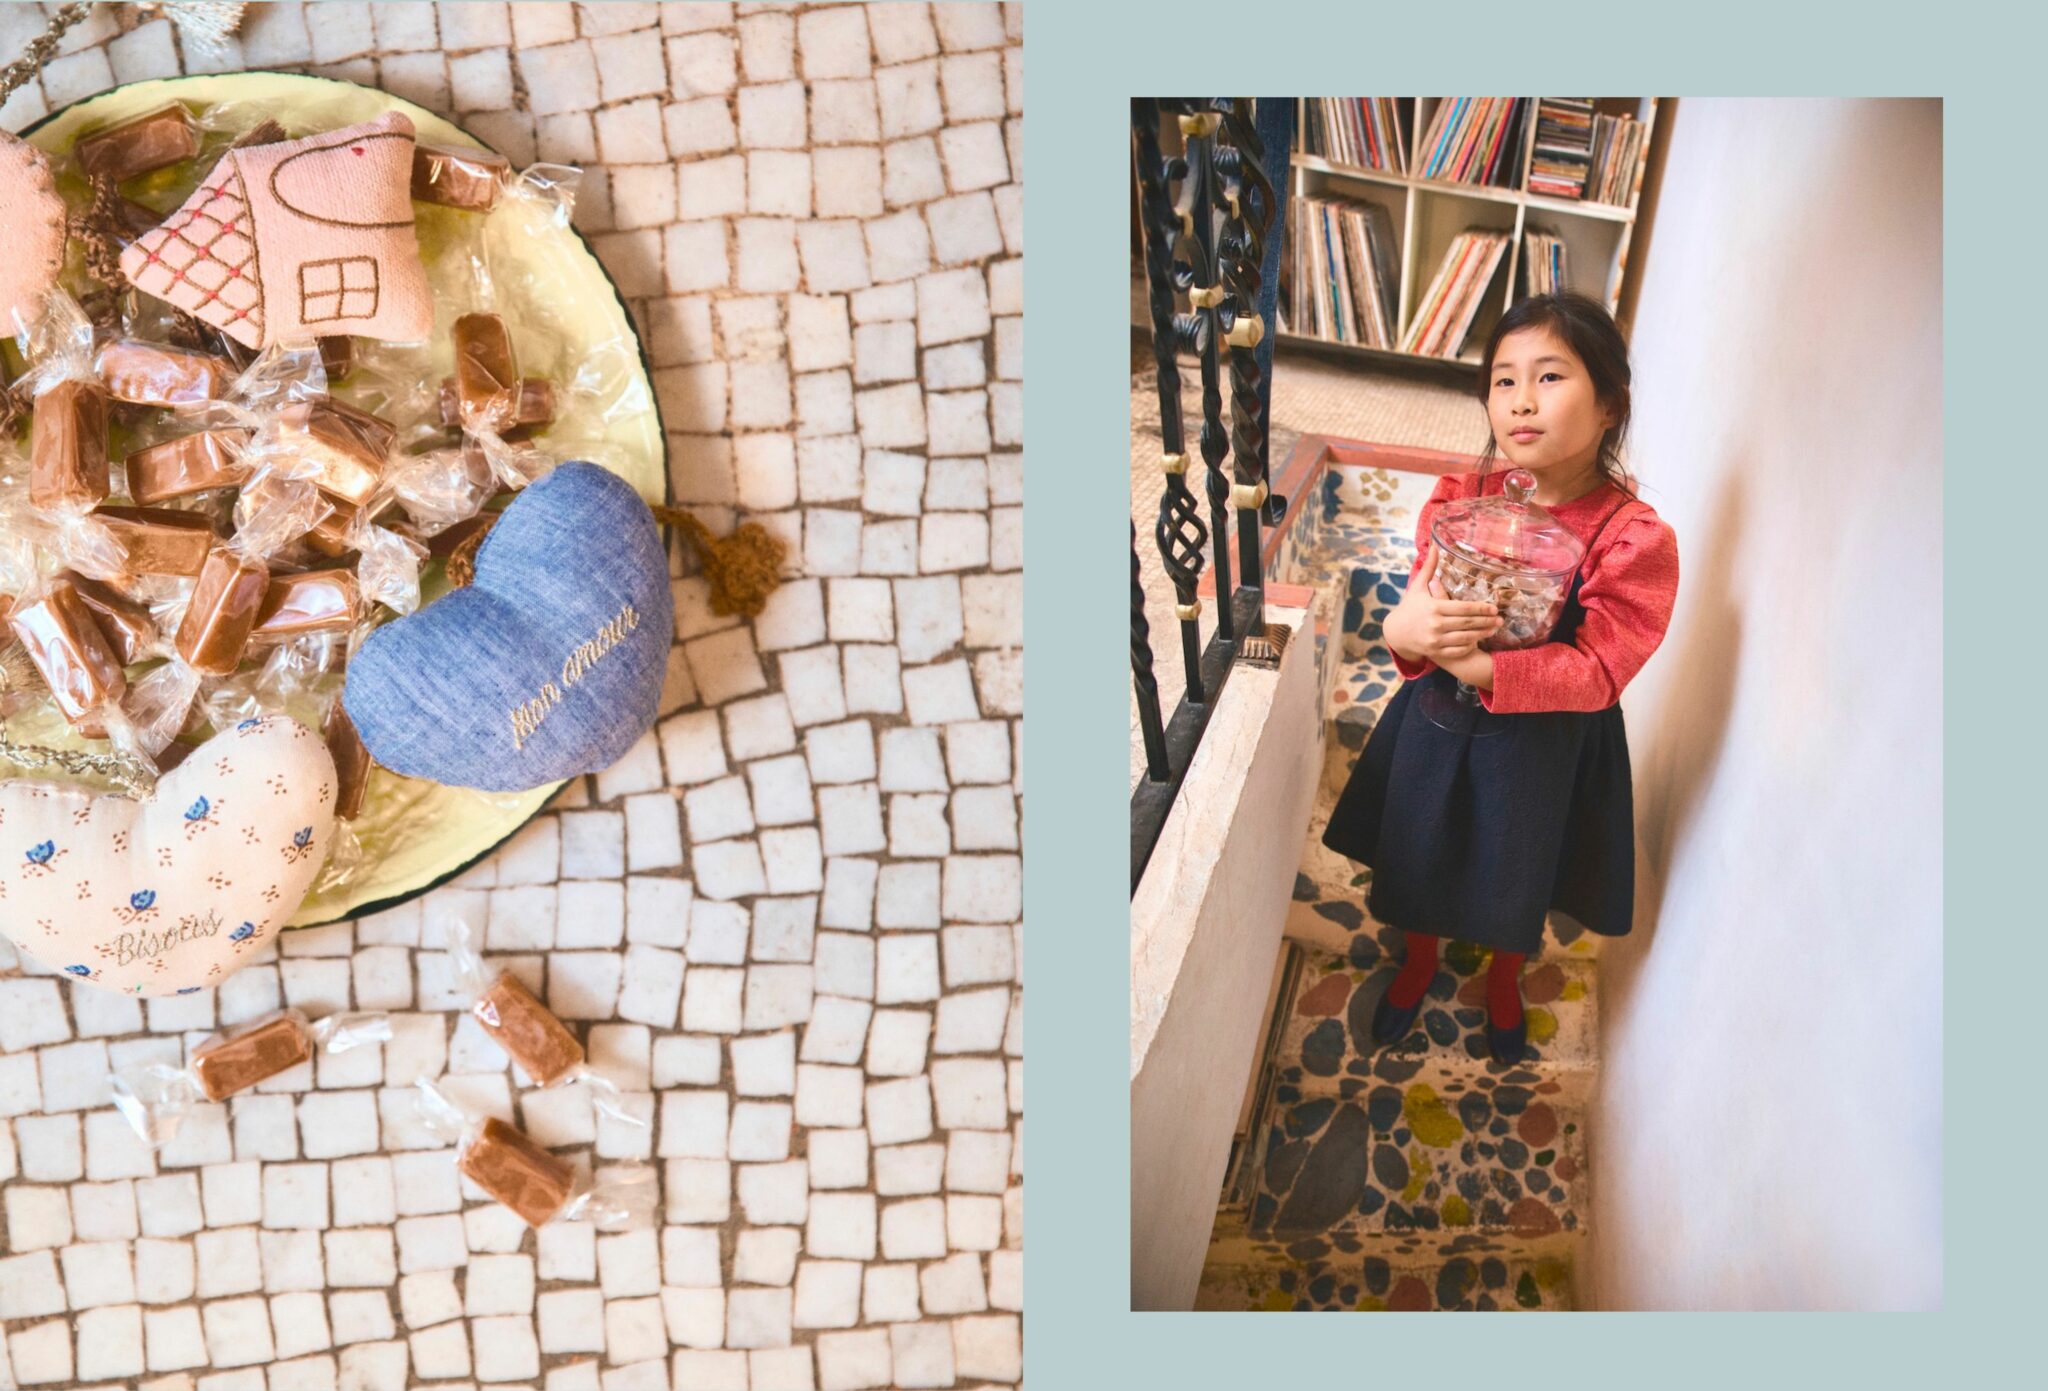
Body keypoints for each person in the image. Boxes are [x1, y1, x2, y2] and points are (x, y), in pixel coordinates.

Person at [1322, 291, 1680, 1064]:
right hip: (1438, 722)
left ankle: (1505, 975)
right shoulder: (1460, 500)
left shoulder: (1632, 537)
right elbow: (1418, 598)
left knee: (1515, 868)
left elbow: (1602, 664)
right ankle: (1419, 960)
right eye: (1503, 379)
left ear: (1611, 404)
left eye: (1550, 377)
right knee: (1420, 846)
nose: (1520, 401)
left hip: (1543, 748)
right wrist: (1399, 630)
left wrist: (1487, 667)